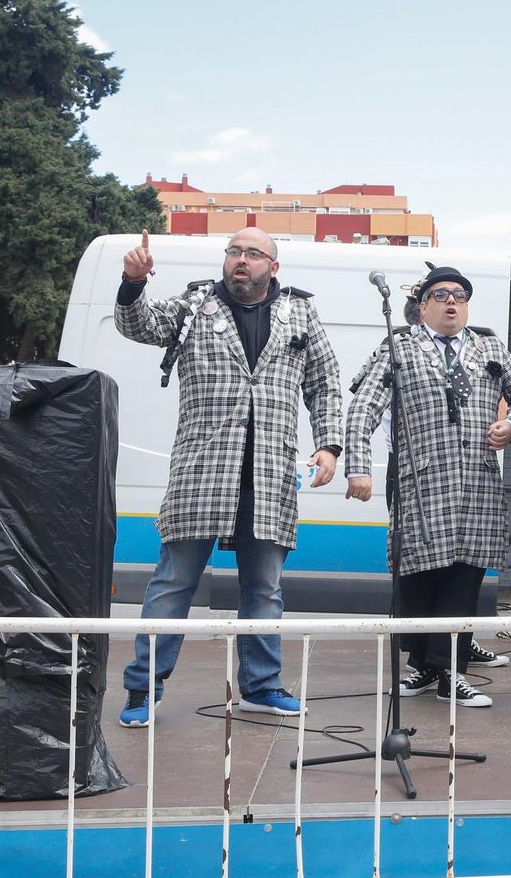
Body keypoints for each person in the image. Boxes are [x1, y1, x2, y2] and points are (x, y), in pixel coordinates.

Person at [115, 228, 343, 726]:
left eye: (254, 253)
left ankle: (260, 687)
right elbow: (139, 325)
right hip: (202, 468)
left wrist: (328, 445)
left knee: (264, 588)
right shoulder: (195, 305)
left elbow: (326, 383)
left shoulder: (301, 313)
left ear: (273, 267)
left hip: (270, 472)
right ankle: (142, 689)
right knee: (173, 582)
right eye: (235, 252)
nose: (242, 260)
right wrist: (133, 282)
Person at [343, 267, 511, 709]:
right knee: (419, 576)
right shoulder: (400, 347)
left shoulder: (489, 347)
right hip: (420, 482)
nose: (452, 302)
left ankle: (452, 674)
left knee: (464, 577)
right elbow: (362, 410)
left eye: (460, 295)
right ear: (423, 304)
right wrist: (359, 468)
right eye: (441, 294)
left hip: (478, 484)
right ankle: (423, 666)